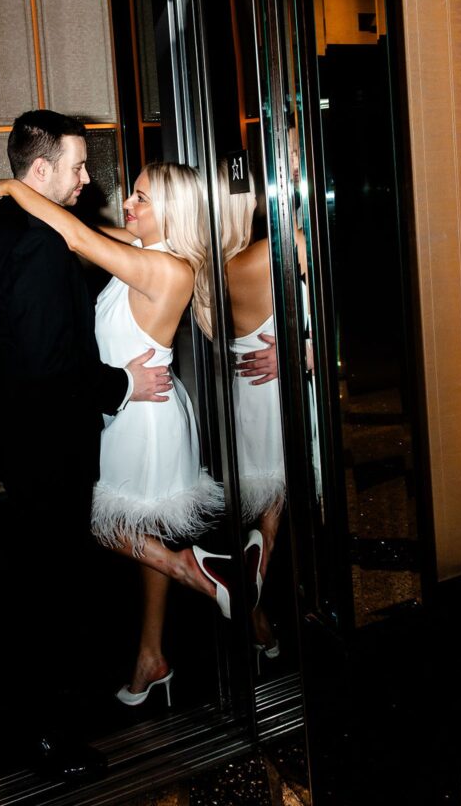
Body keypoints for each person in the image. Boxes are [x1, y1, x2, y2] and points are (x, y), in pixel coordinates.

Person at [0, 160, 228, 713]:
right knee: (138, 527)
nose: (127, 204)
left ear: (173, 211)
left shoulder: (166, 270)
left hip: (143, 418)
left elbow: (75, 234)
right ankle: (153, 654)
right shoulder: (147, 257)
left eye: (140, 198)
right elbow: (95, 233)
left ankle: (196, 572)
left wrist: (13, 187)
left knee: (98, 523)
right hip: (130, 406)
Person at [0, 109, 173, 782]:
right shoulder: (37, 244)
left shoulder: (8, 228)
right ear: (40, 171)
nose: (88, 179)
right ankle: (48, 739)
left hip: (17, 434)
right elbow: (45, 362)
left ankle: (33, 721)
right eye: (78, 166)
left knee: (34, 581)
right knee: (51, 592)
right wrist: (122, 383)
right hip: (45, 441)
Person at [194, 160, 285, 667]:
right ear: (250, 201)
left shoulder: (212, 268)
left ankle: (254, 605)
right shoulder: (268, 253)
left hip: (245, 392)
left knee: (268, 505)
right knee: (273, 512)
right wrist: (298, 353)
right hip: (271, 392)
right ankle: (252, 604)